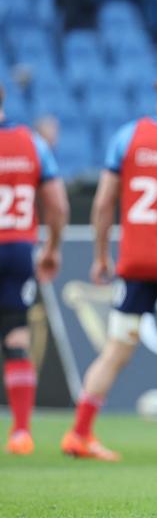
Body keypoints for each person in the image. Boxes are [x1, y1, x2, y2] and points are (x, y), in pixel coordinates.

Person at [60, 72, 157, 461]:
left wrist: (102, 255)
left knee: (116, 349)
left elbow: (104, 202)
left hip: (135, 260)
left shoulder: (129, 136)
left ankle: (80, 433)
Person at [0, 82, 68, 455]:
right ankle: (21, 433)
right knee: (16, 338)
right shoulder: (32, 143)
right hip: (17, 248)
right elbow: (56, 204)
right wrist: (53, 248)